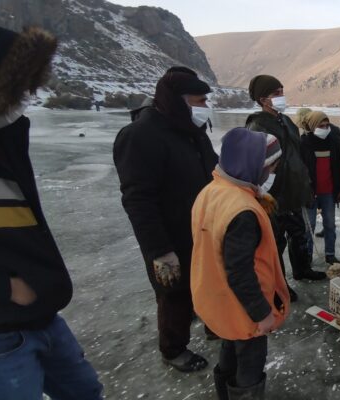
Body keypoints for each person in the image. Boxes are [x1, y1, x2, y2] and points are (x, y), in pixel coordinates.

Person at [0, 25, 103, 399]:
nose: (29, 92)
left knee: (86, 392)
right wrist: (5, 288)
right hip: (5, 332)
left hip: (44, 316)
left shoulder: (7, 139)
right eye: (20, 81)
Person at [113, 67, 218, 372]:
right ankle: (173, 349)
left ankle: (213, 323)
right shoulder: (140, 136)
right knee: (174, 295)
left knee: (207, 283)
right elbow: (138, 200)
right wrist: (160, 250)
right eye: (199, 101)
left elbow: (212, 170)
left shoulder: (191, 132)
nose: (204, 108)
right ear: (179, 100)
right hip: (170, 236)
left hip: (202, 229)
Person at [191, 128, 290, 400]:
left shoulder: (213, 190)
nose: (271, 174)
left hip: (218, 298)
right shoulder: (242, 211)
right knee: (250, 359)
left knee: (230, 345)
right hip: (244, 306)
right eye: (270, 167)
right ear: (253, 164)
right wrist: (262, 313)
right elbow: (240, 272)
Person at [246, 75, 326, 295]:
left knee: (299, 233)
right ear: (263, 99)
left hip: (294, 189)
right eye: (276, 94)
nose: (282, 97)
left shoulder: (287, 121)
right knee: (275, 241)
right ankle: (278, 284)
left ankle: (302, 269)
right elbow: (257, 164)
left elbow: (297, 155)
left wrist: (306, 184)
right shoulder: (257, 125)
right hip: (274, 193)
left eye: (282, 91)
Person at [300, 111, 340, 265]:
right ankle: (307, 256)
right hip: (310, 193)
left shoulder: (333, 141)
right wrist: (304, 190)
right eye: (321, 126)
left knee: (330, 225)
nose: (325, 128)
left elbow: (338, 167)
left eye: (327, 126)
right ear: (312, 126)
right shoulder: (304, 143)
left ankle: (330, 255)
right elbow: (299, 170)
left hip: (329, 192)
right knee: (309, 227)